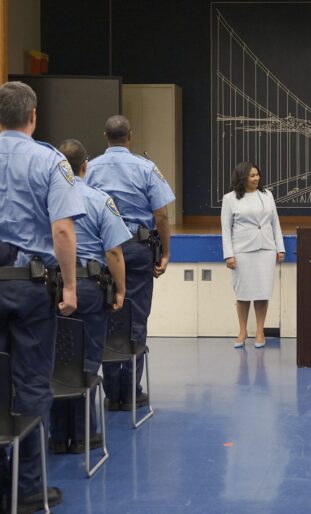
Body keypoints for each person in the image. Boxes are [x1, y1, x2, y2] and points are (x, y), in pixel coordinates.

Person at [0, 81, 85, 512]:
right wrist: (69, 286)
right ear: (33, 115)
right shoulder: (49, 161)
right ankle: (28, 487)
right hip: (31, 285)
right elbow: (63, 230)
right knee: (32, 384)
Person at [85, 115, 175, 411]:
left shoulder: (91, 168)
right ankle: (131, 391)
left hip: (104, 250)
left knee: (110, 314)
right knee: (136, 318)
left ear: (104, 135)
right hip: (137, 249)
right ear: (130, 136)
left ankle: (112, 392)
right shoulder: (146, 167)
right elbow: (161, 215)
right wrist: (165, 253)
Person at [49, 139, 130, 454]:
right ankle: (85, 435)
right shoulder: (99, 200)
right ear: (86, 166)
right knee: (86, 362)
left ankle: (58, 437)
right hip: (89, 287)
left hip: (55, 287)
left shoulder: (47, 199)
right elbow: (113, 251)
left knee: (57, 361)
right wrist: (121, 290)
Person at [220, 162, 285, 348]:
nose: (256, 178)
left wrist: (280, 248)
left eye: (257, 175)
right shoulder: (230, 199)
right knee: (243, 293)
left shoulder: (267, 195)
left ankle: (260, 331)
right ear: (242, 178)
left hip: (266, 248)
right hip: (242, 251)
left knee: (262, 292)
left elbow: (275, 223)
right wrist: (228, 255)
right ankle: (242, 331)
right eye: (252, 175)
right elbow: (226, 229)